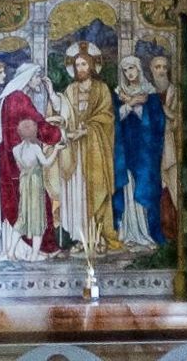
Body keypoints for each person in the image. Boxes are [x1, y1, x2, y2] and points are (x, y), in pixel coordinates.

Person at [49, 42, 121, 255]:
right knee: (76, 193)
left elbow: (107, 116)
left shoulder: (101, 89)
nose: (80, 68)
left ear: (91, 65)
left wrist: (87, 129)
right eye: (77, 65)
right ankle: (80, 237)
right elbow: (64, 114)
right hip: (74, 151)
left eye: (84, 64)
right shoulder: (70, 90)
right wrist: (66, 127)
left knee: (96, 191)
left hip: (95, 148)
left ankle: (97, 237)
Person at [0, 63, 61, 260]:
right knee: (36, 208)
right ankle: (37, 249)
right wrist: (58, 135)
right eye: (37, 77)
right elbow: (39, 125)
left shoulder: (10, 97)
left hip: (12, 159)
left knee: (22, 208)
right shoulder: (19, 99)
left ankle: (15, 250)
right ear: (28, 78)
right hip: (23, 165)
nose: (39, 80)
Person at [111, 54, 165, 249]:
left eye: (132, 68)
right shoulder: (119, 94)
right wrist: (130, 104)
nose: (129, 73)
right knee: (127, 187)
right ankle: (128, 233)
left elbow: (158, 123)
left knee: (144, 187)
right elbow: (113, 120)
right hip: (125, 149)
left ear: (139, 69)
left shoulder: (150, 94)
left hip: (145, 151)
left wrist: (137, 107)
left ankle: (146, 233)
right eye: (125, 70)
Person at [150, 54, 180, 242]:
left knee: (172, 185)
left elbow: (177, 118)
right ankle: (157, 231)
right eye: (157, 67)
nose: (161, 71)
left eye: (164, 67)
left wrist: (163, 108)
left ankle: (174, 232)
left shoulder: (174, 92)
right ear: (151, 70)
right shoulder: (149, 93)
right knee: (156, 187)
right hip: (152, 147)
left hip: (170, 146)